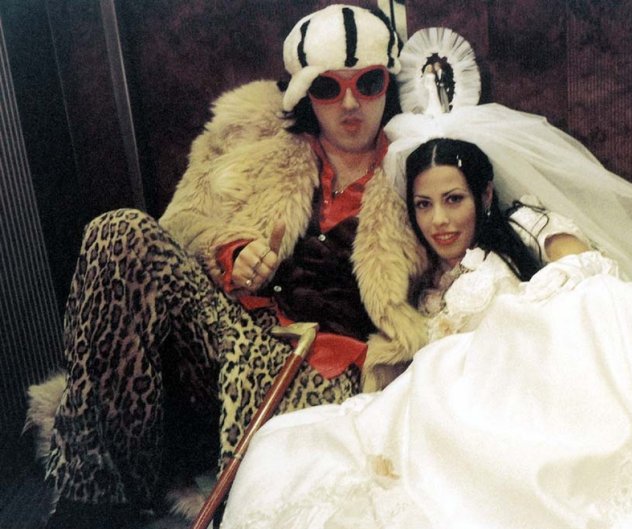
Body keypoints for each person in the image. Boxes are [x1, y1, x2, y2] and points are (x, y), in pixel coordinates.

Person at [219, 136, 632, 529]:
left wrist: (520, 321)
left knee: (600, 305)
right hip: (471, 409)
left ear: (484, 196)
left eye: (454, 200)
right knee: (292, 449)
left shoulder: (527, 225)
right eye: (424, 205)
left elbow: (589, 279)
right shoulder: (427, 287)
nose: (440, 220)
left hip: (551, 380)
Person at [29, 5, 429, 528]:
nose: (351, 103)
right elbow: (179, 227)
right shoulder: (255, 144)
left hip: (317, 375)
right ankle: (93, 501)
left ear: (388, 84)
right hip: (224, 336)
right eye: (329, 87)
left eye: (368, 83)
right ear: (305, 93)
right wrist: (230, 254)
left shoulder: (417, 170)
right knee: (118, 229)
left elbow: (470, 248)